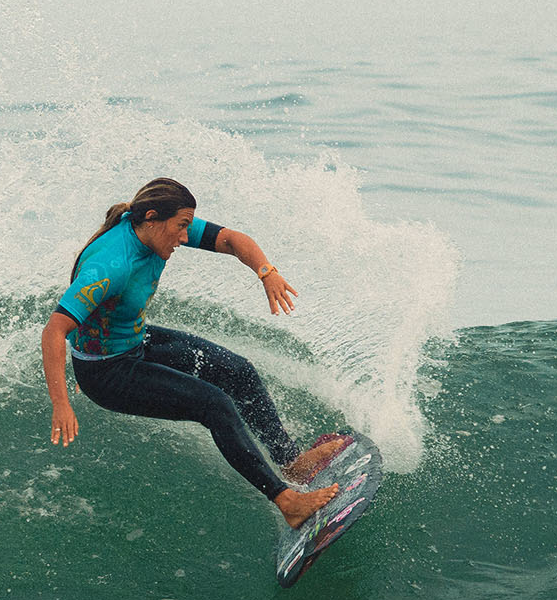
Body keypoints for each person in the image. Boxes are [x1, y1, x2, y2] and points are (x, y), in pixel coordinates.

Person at [41, 178, 341, 528]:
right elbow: (54, 330)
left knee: (238, 371)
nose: (185, 237)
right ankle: (287, 502)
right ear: (152, 218)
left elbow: (231, 239)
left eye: (188, 226)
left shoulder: (156, 227)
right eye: (181, 226)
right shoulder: (111, 265)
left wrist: (266, 272)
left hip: (135, 342)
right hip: (107, 373)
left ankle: (292, 462)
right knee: (214, 404)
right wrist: (61, 403)